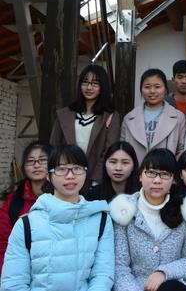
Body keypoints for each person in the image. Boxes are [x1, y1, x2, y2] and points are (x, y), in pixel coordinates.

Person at [0, 145, 115, 291]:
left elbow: (102, 274)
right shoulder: (27, 224)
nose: (70, 175)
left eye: (77, 168)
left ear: (85, 173)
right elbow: (14, 283)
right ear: (48, 176)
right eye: (61, 169)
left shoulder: (101, 220)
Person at [110, 148, 186, 291]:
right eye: (151, 173)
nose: (157, 180)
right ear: (140, 175)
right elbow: (119, 267)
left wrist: (163, 273)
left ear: (174, 179)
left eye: (164, 174)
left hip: (173, 284)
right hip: (135, 285)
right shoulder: (124, 211)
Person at [50, 64, 120, 184]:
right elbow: (54, 146)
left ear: (103, 87)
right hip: (65, 176)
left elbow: (109, 151)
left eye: (95, 83)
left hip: (94, 179)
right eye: (85, 82)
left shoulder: (110, 116)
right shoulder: (64, 114)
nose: (89, 87)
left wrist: (95, 180)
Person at [0, 140, 51, 274]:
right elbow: (3, 242)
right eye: (30, 161)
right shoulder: (13, 201)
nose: (36, 165)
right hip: (18, 270)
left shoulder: (62, 198)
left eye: (42, 160)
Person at [121, 68, 186, 163]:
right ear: (141, 89)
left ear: (166, 89)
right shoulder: (129, 118)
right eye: (147, 87)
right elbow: (123, 149)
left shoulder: (179, 117)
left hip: (165, 170)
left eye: (157, 87)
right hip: (136, 170)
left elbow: (181, 150)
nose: (152, 91)